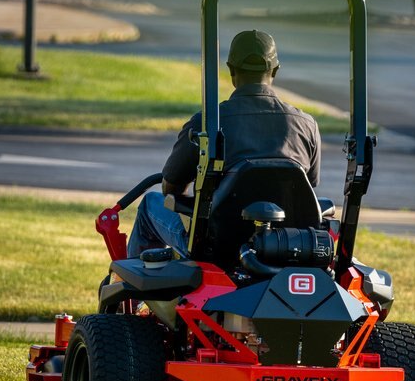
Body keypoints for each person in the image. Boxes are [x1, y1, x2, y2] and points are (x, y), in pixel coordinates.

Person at [128, 29, 322, 258]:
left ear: (231, 70)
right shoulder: (306, 124)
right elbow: (307, 187)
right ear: (275, 70)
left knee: (151, 203)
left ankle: (141, 275)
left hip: (217, 244)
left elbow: (171, 186)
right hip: (288, 243)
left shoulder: (206, 123)